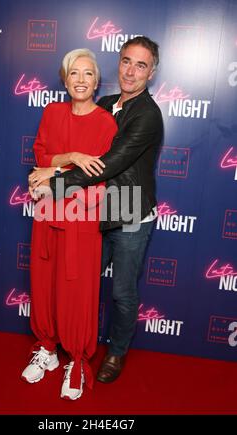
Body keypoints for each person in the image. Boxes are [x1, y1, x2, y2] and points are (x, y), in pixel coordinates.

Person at [33, 36, 163, 383]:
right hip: (96, 212)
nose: (131, 71)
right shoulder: (104, 103)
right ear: (118, 63)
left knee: (121, 291)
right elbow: (77, 146)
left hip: (131, 213)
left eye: (141, 65)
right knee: (81, 285)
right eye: (126, 62)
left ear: (152, 72)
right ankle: (66, 346)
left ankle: (116, 353)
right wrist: (58, 162)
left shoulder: (148, 115)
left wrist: (53, 181)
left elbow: (106, 164)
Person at [22, 48, 117, 400]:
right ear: (64, 79)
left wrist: (55, 170)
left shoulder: (106, 123)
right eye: (74, 73)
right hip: (47, 212)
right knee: (44, 284)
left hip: (80, 218)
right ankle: (47, 347)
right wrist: (72, 157)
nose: (80, 80)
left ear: (96, 81)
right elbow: (41, 154)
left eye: (88, 73)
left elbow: (96, 176)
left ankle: (76, 359)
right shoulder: (52, 111)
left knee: (77, 294)